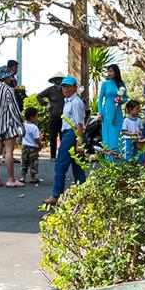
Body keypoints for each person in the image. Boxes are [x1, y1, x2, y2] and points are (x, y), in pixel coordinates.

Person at [44, 76, 88, 208]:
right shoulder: (68, 101)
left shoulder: (75, 102)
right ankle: (83, 194)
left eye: (68, 86)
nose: (65, 88)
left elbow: (80, 124)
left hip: (73, 133)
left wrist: (79, 143)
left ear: (75, 87)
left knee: (60, 164)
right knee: (77, 165)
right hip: (69, 133)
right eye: (63, 86)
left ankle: (56, 195)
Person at [37, 75, 67, 159]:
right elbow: (39, 96)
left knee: (63, 137)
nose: (58, 81)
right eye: (56, 80)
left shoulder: (65, 90)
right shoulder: (50, 90)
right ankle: (53, 156)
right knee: (53, 137)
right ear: (53, 81)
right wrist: (46, 103)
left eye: (60, 80)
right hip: (53, 117)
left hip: (64, 118)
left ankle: (63, 156)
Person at [98, 62, 125, 156]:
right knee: (108, 134)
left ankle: (119, 156)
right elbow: (100, 99)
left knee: (118, 133)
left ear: (116, 72)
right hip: (107, 111)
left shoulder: (121, 84)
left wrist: (121, 101)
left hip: (117, 112)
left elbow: (126, 97)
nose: (108, 73)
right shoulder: (105, 84)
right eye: (107, 72)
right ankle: (109, 157)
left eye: (110, 71)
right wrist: (100, 113)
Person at [19, 106, 43, 185]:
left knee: (24, 162)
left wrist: (19, 141)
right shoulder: (34, 127)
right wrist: (40, 145)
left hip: (24, 146)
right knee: (33, 162)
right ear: (32, 117)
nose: (37, 118)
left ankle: (23, 177)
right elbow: (37, 138)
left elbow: (20, 136)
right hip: (33, 147)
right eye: (36, 116)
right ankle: (33, 177)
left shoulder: (23, 126)